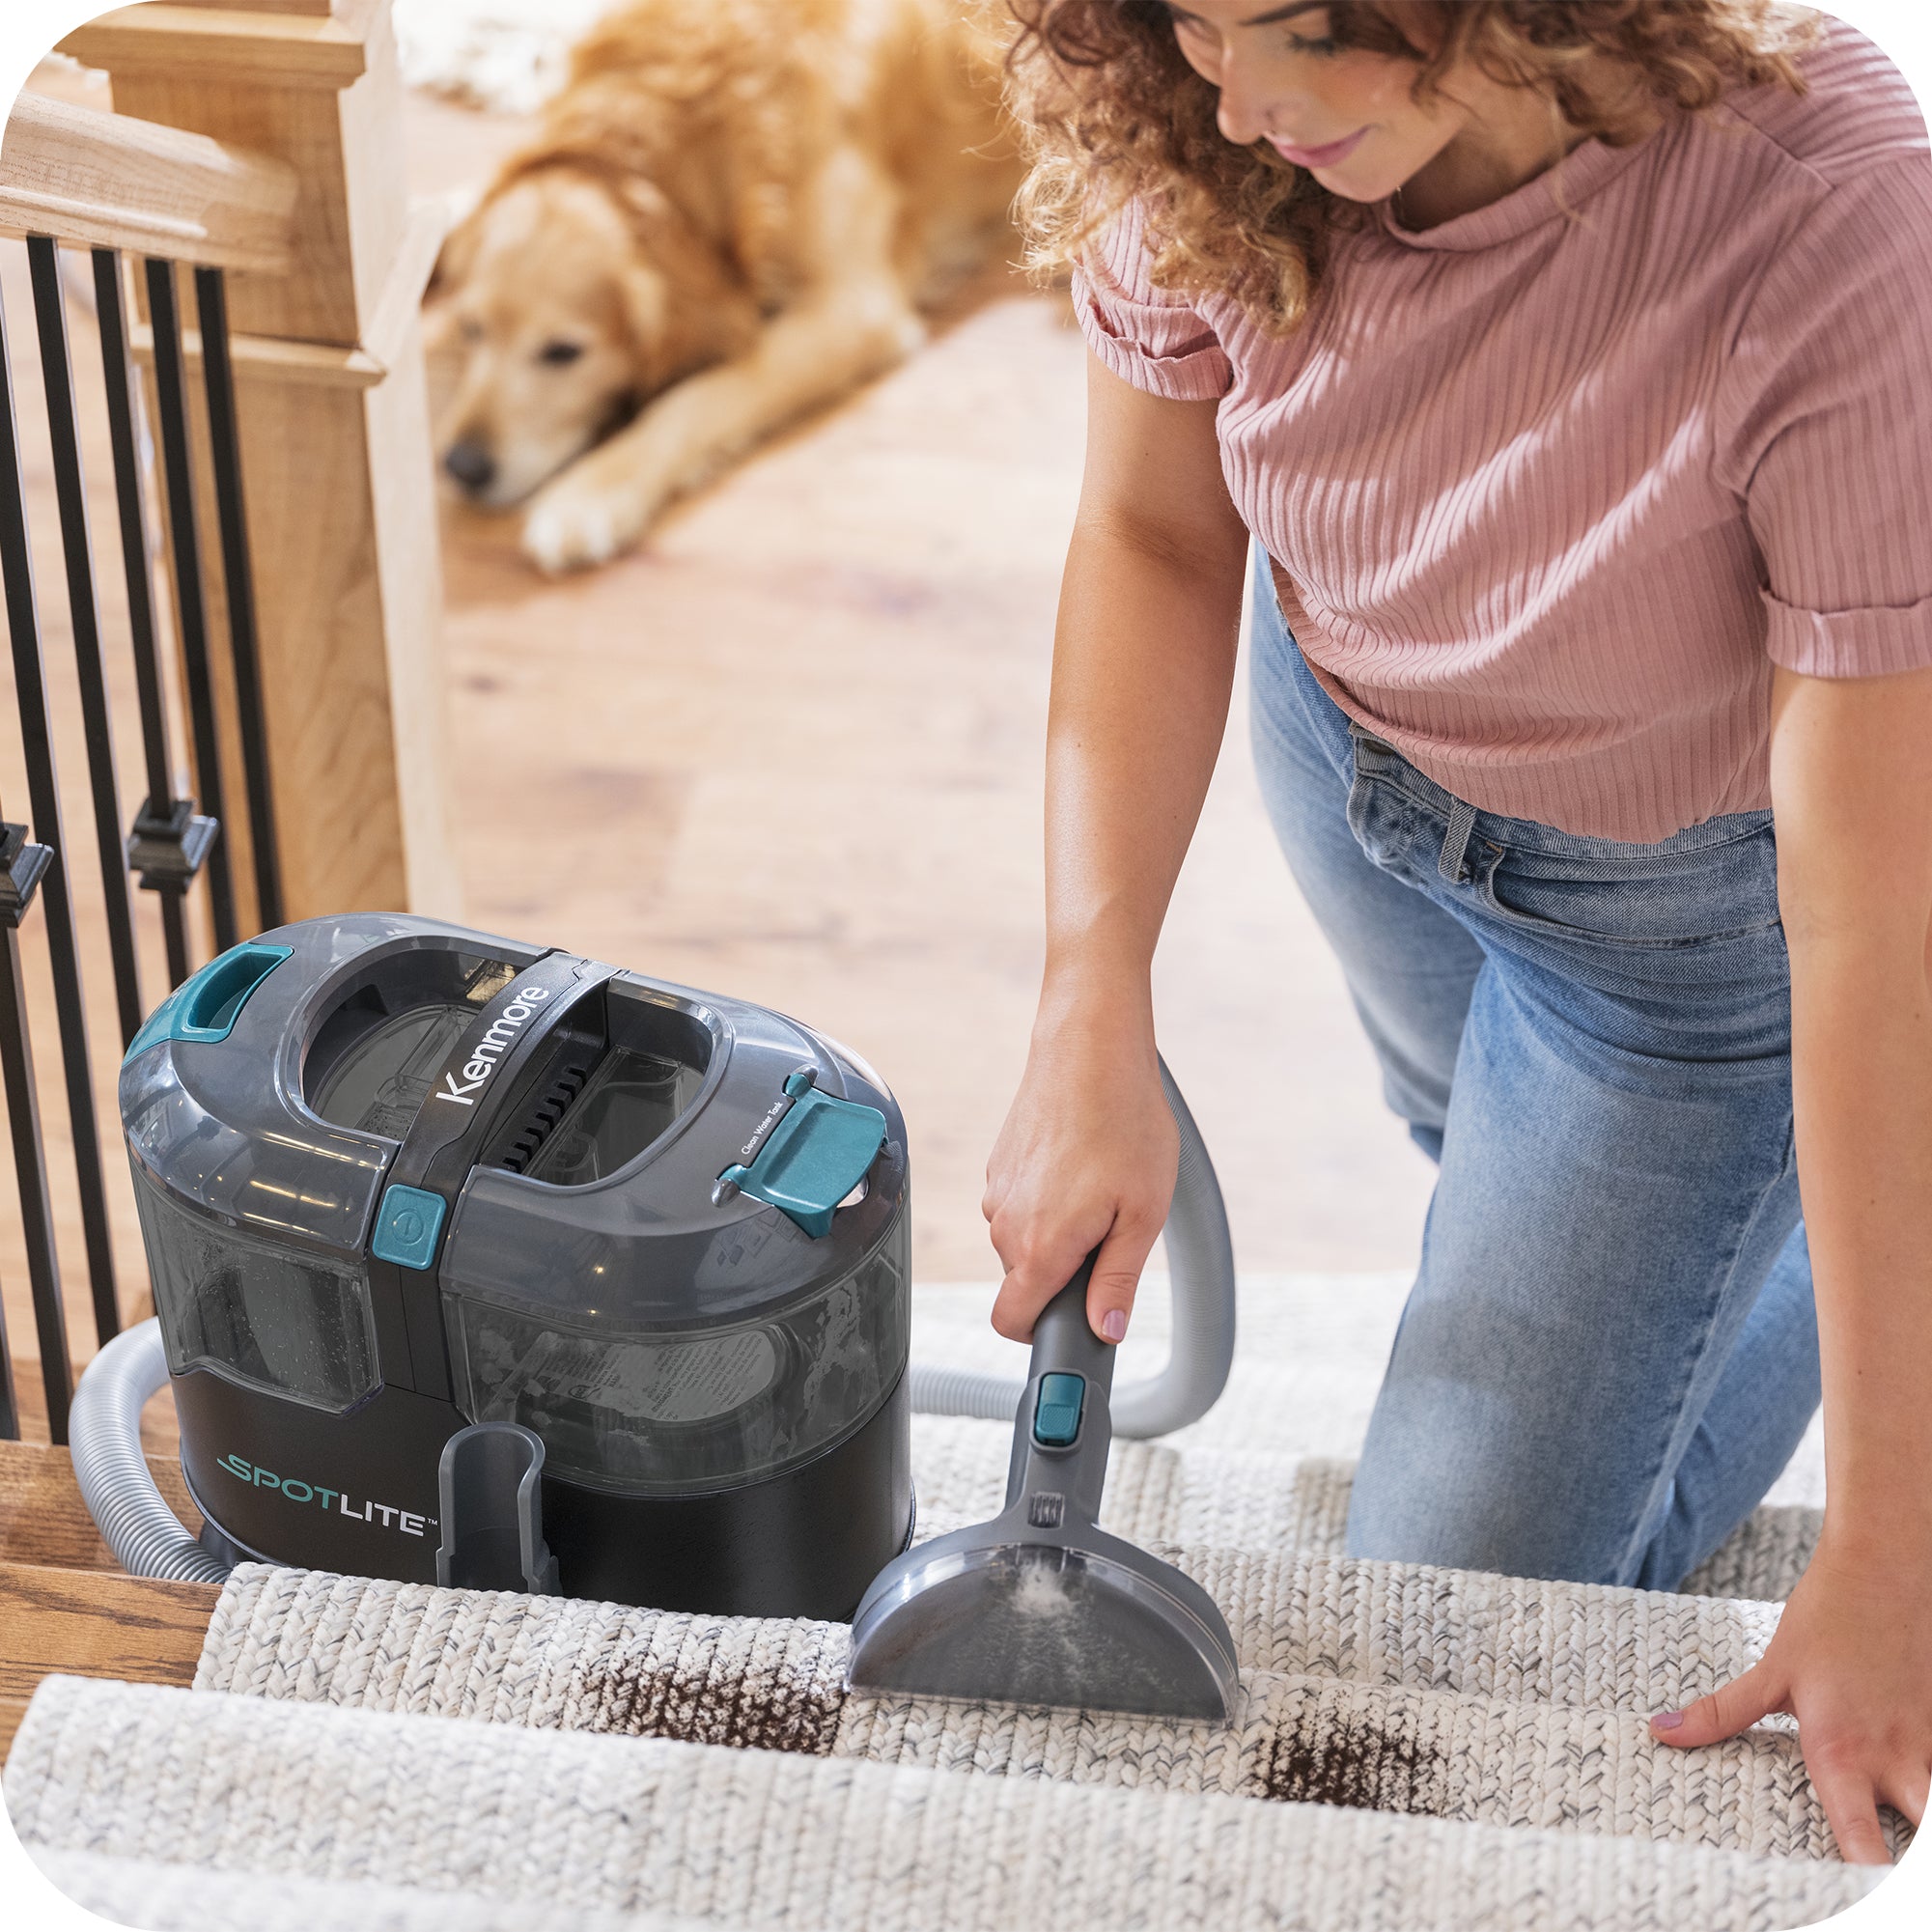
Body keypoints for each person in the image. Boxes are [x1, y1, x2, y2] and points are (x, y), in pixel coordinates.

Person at [979, 0, 1932, 1863]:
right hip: (1349, 761)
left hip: (1686, 940)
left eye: (1310, 29)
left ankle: (1810, 1209)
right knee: (1459, 1139)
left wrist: (1889, 1548)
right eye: (1191, 19)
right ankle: (1640, 1213)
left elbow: (1865, 900)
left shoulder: (1825, 218)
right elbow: (1161, 540)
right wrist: (1089, 991)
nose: (1241, 97)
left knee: (1450, 1612)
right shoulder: (1197, 131)